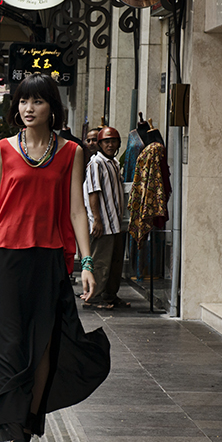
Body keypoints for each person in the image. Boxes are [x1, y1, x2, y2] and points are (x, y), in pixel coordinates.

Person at [0, 73, 110, 442]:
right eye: (23, 102)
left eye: (38, 102)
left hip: (48, 261)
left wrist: (86, 263)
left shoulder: (70, 153)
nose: (29, 109)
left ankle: (25, 430)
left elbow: (77, 210)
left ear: (53, 107)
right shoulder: (2, 150)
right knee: (6, 347)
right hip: (6, 260)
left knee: (43, 349)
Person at [84, 126, 127, 308]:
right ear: (100, 144)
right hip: (103, 223)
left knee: (115, 263)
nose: (110, 145)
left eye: (113, 141)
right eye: (106, 142)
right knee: (101, 262)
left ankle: (110, 294)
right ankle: (94, 297)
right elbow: (94, 191)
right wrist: (97, 219)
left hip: (116, 222)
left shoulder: (114, 163)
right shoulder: (96, 163)